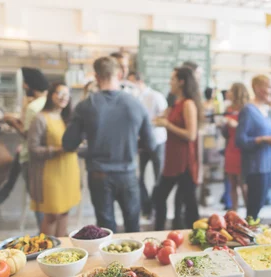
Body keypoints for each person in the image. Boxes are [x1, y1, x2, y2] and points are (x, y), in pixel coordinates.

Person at [63, 57, 156, 233]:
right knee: (132, 225)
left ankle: (108, 260)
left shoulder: (85, 106)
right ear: (120, 74)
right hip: (128, 173)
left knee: (106, 228)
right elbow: (151, 144)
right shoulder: (136, 105)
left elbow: (68, 143)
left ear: (97, 77)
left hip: (99, 174)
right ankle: (135, 259)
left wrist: (88, 139)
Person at [153, 67, 202, 230]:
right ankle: (160, 234)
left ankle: (194, 237)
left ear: (181, 82)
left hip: (184, 162)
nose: (170, 82)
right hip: (173, 160)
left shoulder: (188, 104)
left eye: (172, 79)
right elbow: (163, 119)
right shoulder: (175, 103)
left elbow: (191, 135)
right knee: (161, 198)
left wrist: (167, 124)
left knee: (188, 204)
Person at [28, 83, 80, 237]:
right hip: (50, 173)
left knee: (65, 212)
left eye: (67, 93)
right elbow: (33, 148)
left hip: (69, 170)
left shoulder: (68, 118)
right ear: (51, 95)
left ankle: (62, 249)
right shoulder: (40, 118)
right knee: (51, 215)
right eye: (59, 93)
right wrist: (57, 149)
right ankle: (47, 250)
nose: (64, 97)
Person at [8, 67, 49, 230]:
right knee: (46, 200)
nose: (24, 87)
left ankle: (44, 234)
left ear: (30, 84)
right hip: (47, 158)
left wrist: (12, 122)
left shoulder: (34, 107)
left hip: (31, 159)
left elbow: (28, 136)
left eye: (25, 84)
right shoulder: (47, 103)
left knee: (38, 200)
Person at [236, 75, 271, 219]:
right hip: (255, 167)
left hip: (267, 165)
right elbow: (240, 140)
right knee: (254, 206)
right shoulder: (248, 110)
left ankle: (251, 234)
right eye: (268, 87)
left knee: (260, 203)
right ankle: (248, 237)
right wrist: (264, 139)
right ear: (256, 88)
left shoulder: (265, 109)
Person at [127, 71, 169, 218]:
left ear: (139, 81)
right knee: (139, 177)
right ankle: (147, 206)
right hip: (141, 142)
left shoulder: (156, 96)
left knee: (159, 178)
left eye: (131, 83)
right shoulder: (134, 98)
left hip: (158, 141)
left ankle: (156, 207)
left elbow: (165, 117)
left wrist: (148, 122)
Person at [223, 83, 250, 211]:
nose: (228, 93)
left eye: (230, 91)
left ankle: (250, 212)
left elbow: (249, 129)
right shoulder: (228, 109)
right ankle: (234, 212)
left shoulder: (247, 109)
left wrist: (236, 125)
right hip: (230, 148)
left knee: (243, 183)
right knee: (232, 182)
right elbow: (225, 132)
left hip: (241, 150)